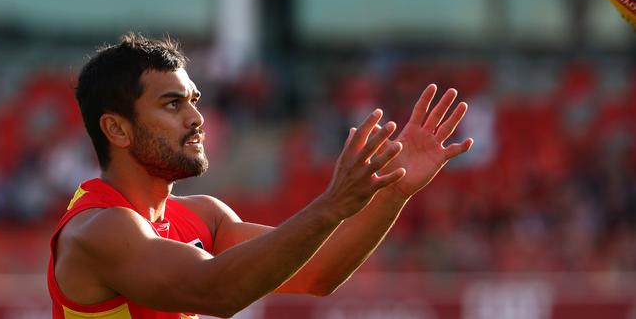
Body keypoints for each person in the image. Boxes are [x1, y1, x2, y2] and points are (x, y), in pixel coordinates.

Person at [47, 33, 474, 319]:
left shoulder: (203, 216)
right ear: (117, 129)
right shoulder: (100, 227)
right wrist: (331, 205)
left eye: (195, 100)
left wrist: (394, 190)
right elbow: (216, 292)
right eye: (173, 105)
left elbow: (318, 274)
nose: (197, 118)